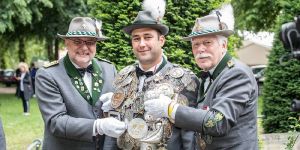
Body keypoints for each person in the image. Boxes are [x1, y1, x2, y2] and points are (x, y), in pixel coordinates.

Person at [144, 4, 259, 150]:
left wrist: (171, 109)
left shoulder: (236, 73)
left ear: (223, 45)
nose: (200, 49)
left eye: (207, 42)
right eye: (196, 44)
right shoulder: (210, 74)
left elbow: (217, 122)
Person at [103, 0, 199, 149]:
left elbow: (189, 135)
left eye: (147, 37)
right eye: (136, 38)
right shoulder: (122, 77)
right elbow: (112, 132)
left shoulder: (186, 79)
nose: (141, 44)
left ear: (161, 40)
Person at [35, 17, 126, 150]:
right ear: (66, 43)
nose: (84, 47)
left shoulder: (109, 68)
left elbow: (119, 110)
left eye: (90, 42)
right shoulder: (48, 74)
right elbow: (56, 122)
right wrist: (97, 126)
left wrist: (117, 103)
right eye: (77, 41)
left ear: (96, 44)